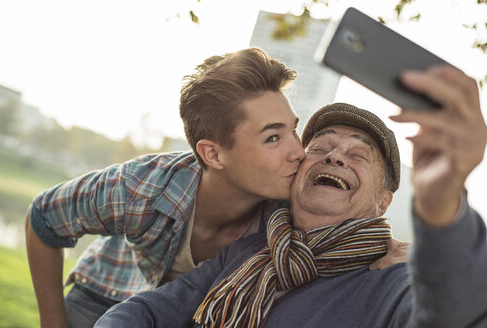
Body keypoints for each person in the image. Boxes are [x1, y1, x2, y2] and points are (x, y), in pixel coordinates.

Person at [95, 65, 487, 328]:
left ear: (383, 203)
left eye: (357, 155)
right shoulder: (249, 249)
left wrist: (442, 207)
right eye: (320, 147)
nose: (334, 155)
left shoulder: (393, 278)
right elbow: (150, 309)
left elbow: (452, 315)